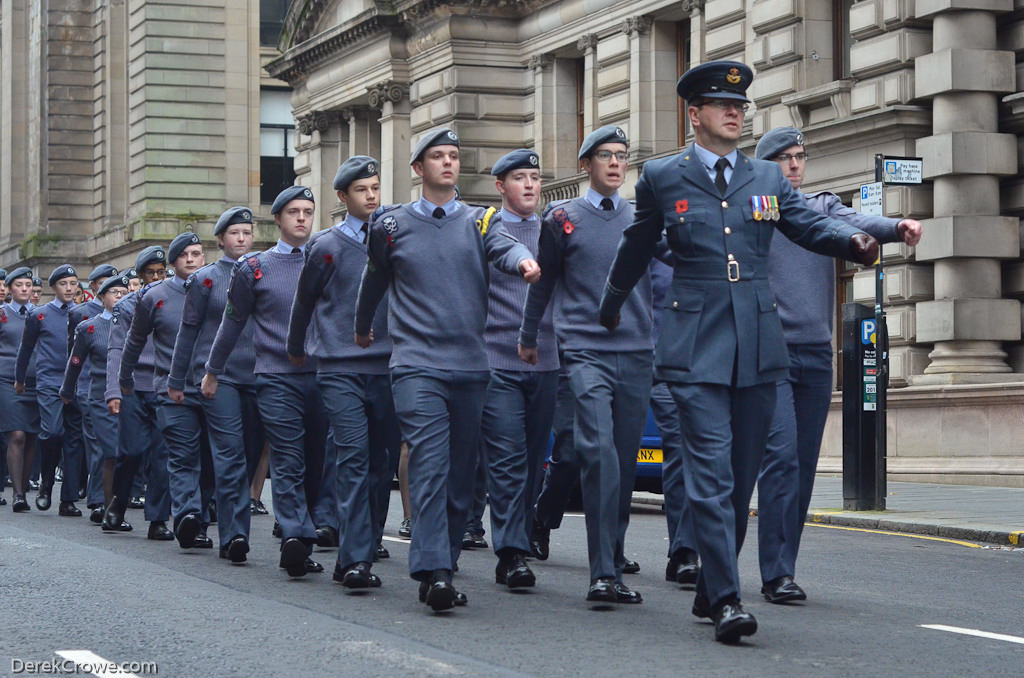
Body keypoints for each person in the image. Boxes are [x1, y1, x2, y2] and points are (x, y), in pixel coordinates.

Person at [598, 60, 880, 643]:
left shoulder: (768, 180)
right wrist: (613, 301)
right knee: (709, 466)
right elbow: (638, 241)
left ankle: (709, 584)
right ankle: (726, 597)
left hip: (757, 341)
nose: (735, 112)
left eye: (741, 107)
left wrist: (854, 241)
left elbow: (805, 225)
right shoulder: (661, 176)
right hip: (695, 341)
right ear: (694, 115)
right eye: (723, 105)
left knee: (743, 471)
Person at [355, 127, 538, 612]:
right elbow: (374, 280)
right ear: (418, 169)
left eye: (454, 156)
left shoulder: (480, 221)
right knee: (431, 463)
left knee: (462, 476)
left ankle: (445, 562)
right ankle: (433, 570)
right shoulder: (391, 225)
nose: (448, 163)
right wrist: (361, 327)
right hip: (416, 364)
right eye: (438, 156)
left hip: (471, 368)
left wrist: (524, 262)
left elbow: (504, 245)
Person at [752, 126, 922, 604]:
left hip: (816, 354)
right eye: (784, 158)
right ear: (767, 166)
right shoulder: (760, 210)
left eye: (800, 156)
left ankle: (783, 569)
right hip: (772, 353)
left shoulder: (822, 206)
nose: (795, 165)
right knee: (780, 460)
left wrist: (897, 228)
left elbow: (859, 219)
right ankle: (765, 570)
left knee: (803, 467)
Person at [521, 126, 653, 606]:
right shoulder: (562, 219)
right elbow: (544, 282)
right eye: (605, 156)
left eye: (621, 155)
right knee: (596, 453)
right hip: (583, 351)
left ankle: (612, 562)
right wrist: (529, 335)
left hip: (637, 352)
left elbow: (674, 270)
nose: (616, 164)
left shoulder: (643, 219)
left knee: (621, 460)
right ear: (586, 165)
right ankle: (601, 573)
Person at [206, 185, 333, 578]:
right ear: (277, 219)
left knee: (316, 461)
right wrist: (212, 370)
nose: (301, 218)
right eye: (293, 211)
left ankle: (304, 532)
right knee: (288, 456)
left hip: (322, 376)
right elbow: (232, 322)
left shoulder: (328, 259)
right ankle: (294, 533)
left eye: (308, 212)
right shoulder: (254, 268)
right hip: (275, 377)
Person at [288, 155, 399, 588]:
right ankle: (355, 559)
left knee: (379, 463)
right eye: (361, 190)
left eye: (374, 188)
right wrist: (297, 348)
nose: (371, 196)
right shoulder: (325, 246)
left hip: (389, 366)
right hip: (338, 367)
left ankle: (362, 547)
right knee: (352, 458)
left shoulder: (394, 236)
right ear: (342, 197)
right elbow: (304, 302)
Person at [479, 149, 558, 590]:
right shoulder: (487, 229)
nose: (529, 185)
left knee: (532, 461)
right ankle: (510, 552)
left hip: (547, 360)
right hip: (497, 359)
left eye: (534, 177)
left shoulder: (555, 229)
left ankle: (522, 533)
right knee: (508, 458)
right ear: (501, 186)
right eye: (519, 178)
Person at [169, 207, 262, 564]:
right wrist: (178, 380)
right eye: (234, 233)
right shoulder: (205, 280)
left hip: (258, 376)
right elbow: (188, 330)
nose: (241, 238)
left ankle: (220, 515)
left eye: (247, 233)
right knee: (230, 454)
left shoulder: (262, 270)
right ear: (221, 240)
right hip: (216, 378)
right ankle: (235, 534)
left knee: (250, 455)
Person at [120, 233, 212, 549]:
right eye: (184, 254)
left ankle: (203, 517)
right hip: (168, 390)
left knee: (210, 459)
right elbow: (131, 342)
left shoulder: (217, 289)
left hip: (212, 388)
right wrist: (123, 378)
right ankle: (174, 517)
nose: (191, 259)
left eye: (197, 253)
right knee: (170, 456)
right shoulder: (153, 297)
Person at [103, 246, 173, 540]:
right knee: (131, 451)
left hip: (164, 386)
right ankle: (118, 502)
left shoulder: (175, 300)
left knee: (162, 455)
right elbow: (116, 348)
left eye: (161, 272)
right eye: (150, 273)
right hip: (132, 385)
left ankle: (158, 519)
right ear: (141, 276)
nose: (156, 277)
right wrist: (113, 390)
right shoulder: (128, 306)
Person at [60, 274, 131, 514]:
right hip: (98, 395)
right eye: (114, 293)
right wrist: (67, 391)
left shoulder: (134, 324)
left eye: (124, 293)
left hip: (129, 395)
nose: (120, 297)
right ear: (101, 297)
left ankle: (112, 501)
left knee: (123, 451)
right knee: (108, 449)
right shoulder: (89, 327)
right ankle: (102, 503)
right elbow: (75, 362)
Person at [15, 265, 82, 514]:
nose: (68, 288)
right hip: (49, 382)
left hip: (77, 383)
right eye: (63, 283)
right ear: (54, 287)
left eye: (73, 283)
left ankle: (68, 499)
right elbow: (26, 349)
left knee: (75, 440)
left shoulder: (82, 314)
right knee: (52, 432)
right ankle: (46, 484)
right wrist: (20, 379)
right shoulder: (40, 315)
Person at [67, 264, 118, 519]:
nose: (118, 293)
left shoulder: (132, 317)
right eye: (109, 285)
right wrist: (71, 387)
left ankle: (114, 496)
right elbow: (74, 355)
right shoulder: (83, 316)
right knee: (100, 447)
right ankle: (98, 500)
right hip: (92, 388)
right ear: (97, 288)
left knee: (118, 449)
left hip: (122, 391)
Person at [1, 268, 42, 512]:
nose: (25, 289)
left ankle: (24, 486)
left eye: (28, 284)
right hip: (6, 381)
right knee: (17, 435)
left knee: (31, 436)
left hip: (35, 381)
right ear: (9, 289)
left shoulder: (40, 315)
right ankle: (17, 493)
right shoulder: (2, 314)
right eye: (19, 285)